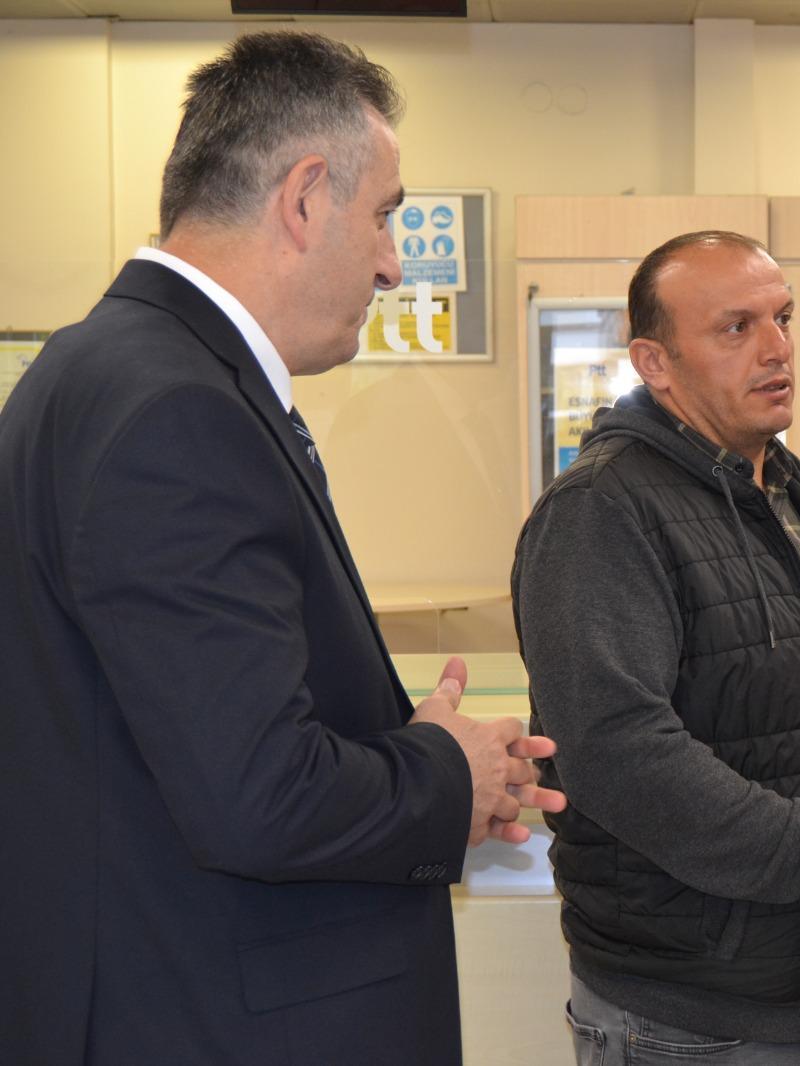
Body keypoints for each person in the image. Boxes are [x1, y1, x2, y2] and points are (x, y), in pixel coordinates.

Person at [0, 32, 563, 1066]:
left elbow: (184, 734)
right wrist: (446, 771)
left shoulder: (101, 368)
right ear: (304, 198)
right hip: (220, 1017)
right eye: (384, 215)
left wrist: (405, 744)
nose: (393, 261)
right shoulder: (176, 409)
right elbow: (258, 794)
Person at [513, 231, 800, 1064]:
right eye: (736, 328)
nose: (776, 349)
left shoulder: (789, 487)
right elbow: (618, 757)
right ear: (654, 363)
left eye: (782, 319)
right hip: (691, 1017)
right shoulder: (600, 511)